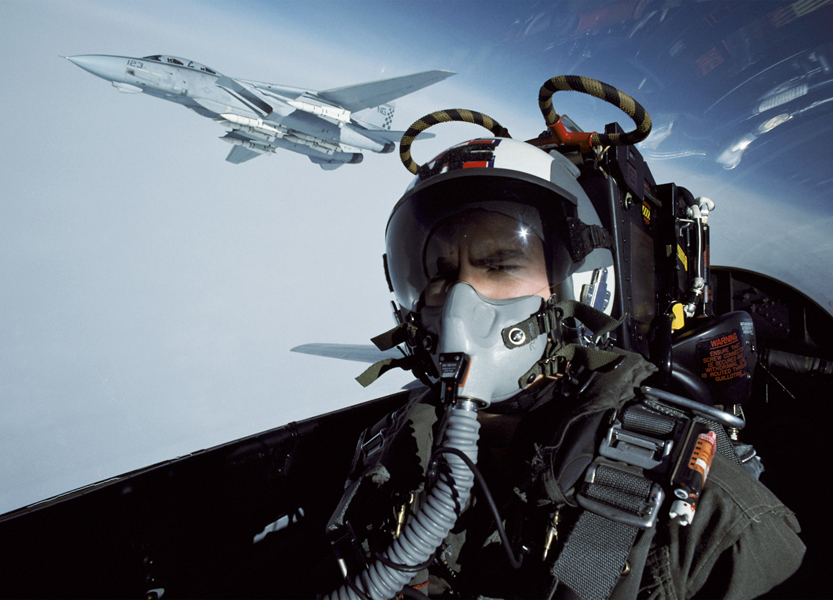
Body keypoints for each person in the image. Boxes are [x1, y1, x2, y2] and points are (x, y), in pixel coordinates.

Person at [321, 135, 805, 600]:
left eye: (499, 265)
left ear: (577, 285)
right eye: (443, 273)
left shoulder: (713, 521)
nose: (459, 304)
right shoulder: (392, 456)